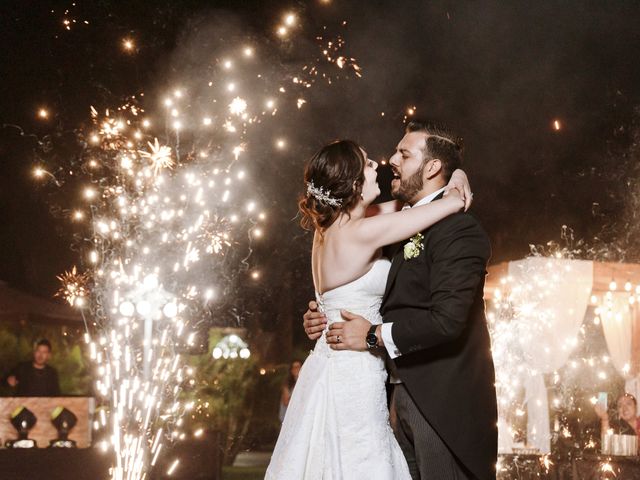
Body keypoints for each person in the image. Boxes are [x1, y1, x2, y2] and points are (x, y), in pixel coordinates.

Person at [265, 133, 471, 479]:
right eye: (368, 163)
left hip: (328, 363)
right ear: (356, 185)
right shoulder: (361, 233)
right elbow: (449, 204)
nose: (380, 164)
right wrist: (458, 179)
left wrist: (457, 174)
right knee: (361, 460)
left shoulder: (329, 229)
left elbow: (413, 207)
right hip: (354, 369)